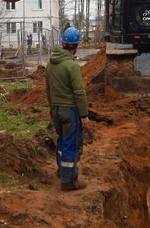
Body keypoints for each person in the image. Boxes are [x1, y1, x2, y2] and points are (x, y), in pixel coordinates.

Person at [46, 26, 89, 191]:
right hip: (70, 111)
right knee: (72, 144)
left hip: (56, 109)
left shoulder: (51, 65)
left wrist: (52, 109)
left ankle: (61, 171)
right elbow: (80, 92)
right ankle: (69, 182)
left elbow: (48, 90)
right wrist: (84, 115)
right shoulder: (72, 66)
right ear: (76, 45)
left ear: (63, 43)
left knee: (62, 141)